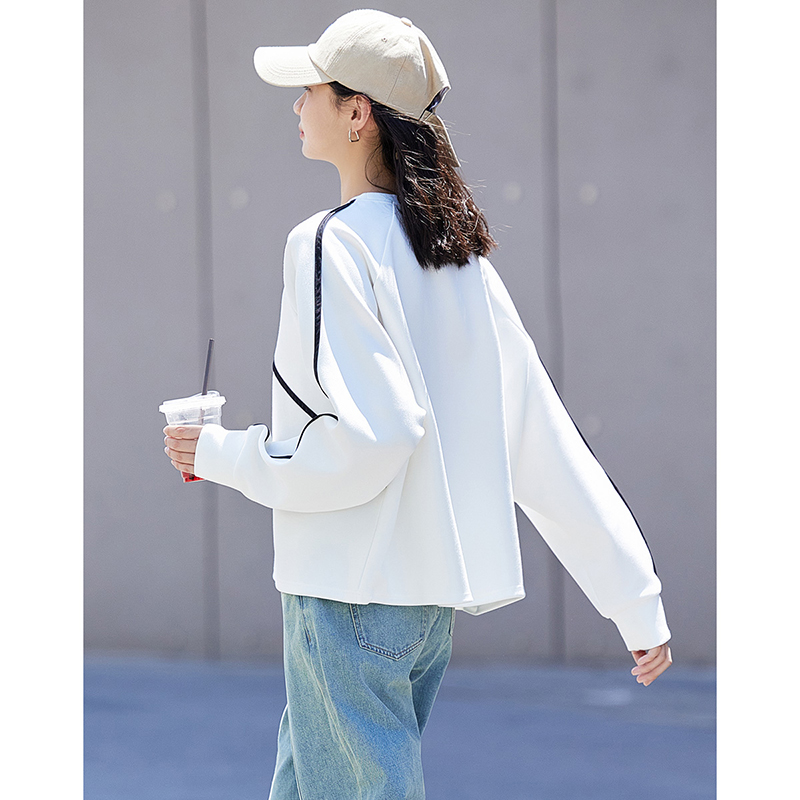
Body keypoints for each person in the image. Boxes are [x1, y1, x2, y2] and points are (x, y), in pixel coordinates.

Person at [163, 9, 672, 800]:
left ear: (357, 112)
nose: (296, 103)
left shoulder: (330, 242)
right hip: (424, 609)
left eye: (312, 90)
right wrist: (635, 602)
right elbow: (539, 438)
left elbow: (373, 436)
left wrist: (223, 452)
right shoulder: (460, 261)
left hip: (347, 598)